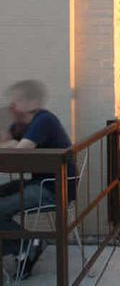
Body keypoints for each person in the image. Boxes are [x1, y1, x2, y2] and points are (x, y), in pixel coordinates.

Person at [0, 80, 76, 279]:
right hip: (42, 183)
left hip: (55, 188)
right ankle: (23, 245)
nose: (11, 107)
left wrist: (11, 142)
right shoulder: (26, 125)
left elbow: (21, 150)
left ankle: (28, 244)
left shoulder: (44, 120)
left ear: (28, 102)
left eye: (15, 102)